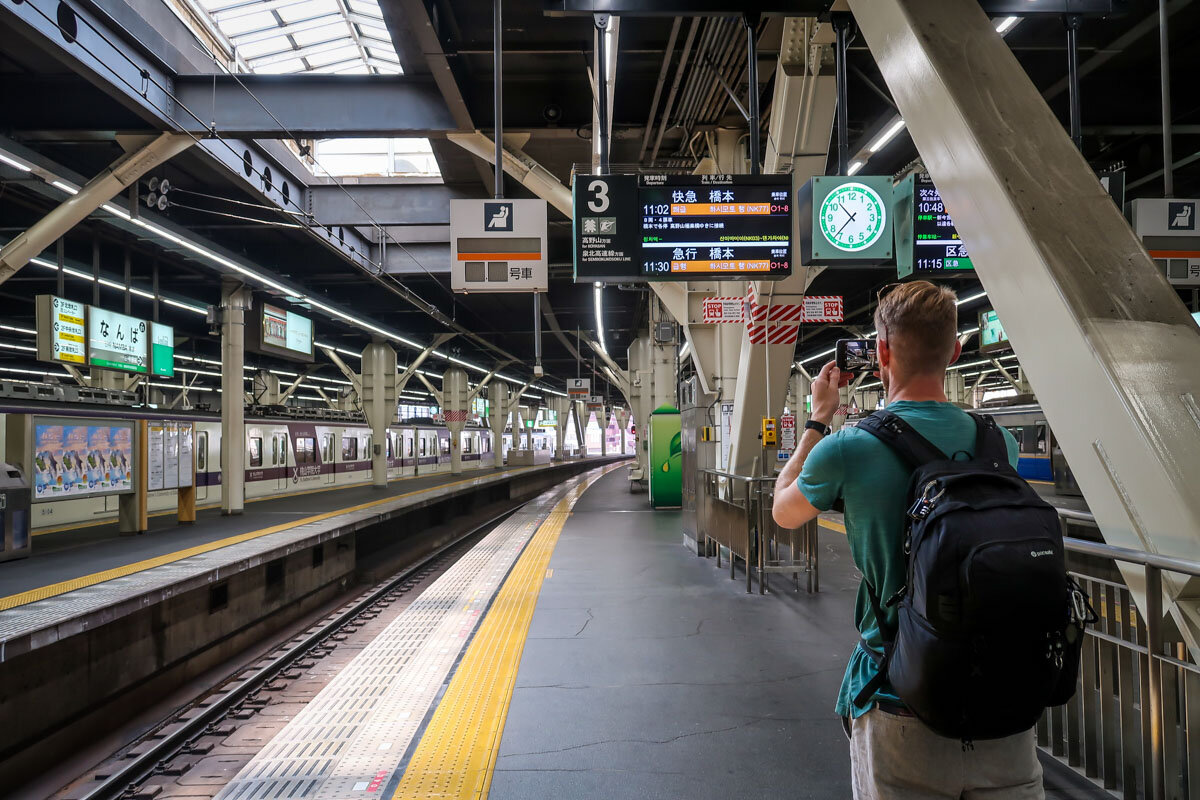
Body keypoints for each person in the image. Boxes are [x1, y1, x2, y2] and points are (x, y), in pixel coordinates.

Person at [771, 281, 1042, 799]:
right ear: (956, 351)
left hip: (900, 696)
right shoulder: (996, 441)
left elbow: (783, 510)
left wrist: (817, 419)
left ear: (881, 352)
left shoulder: (850, 448)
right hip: (1004, 700)